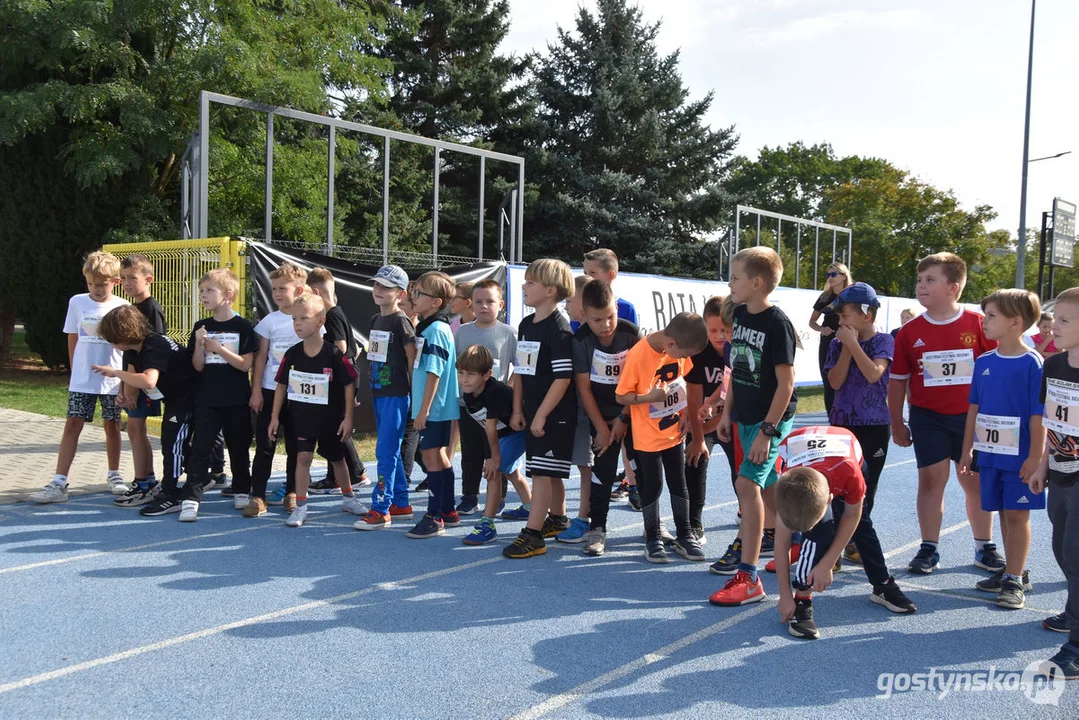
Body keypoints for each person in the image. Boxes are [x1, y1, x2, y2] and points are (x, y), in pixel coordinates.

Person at [889, 252, 1001, 575]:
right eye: (919, 280)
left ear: (954, 288)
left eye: (930, 280)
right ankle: (929, 548)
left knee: (974, 481)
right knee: (930, 481)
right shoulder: (909, 332)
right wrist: (897, 423)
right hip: (928, 417)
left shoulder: (979, 325)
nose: (920, 286)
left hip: (973, 419)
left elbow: (996, 370)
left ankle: (984, 547)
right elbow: (898, 383)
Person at [708, 246, 797, 606]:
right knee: (768, 488)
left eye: (735, 277)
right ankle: (804, 540)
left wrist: (766, 431)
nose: (729, 283)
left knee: (747, 485)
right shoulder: (741, 315)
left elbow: (787, 385)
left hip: (769, 420)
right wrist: (727, 412)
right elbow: (737, 372)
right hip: (744, 415)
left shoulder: (778, 325)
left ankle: (748, 577)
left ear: (757, 282)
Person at [768, 426, 916, 640]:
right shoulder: (785, 485)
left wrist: (827, 563)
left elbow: (852, 517)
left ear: (829, 499)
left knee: (863, 525)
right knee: (817, 536)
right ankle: (802, 598)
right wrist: (784, 596)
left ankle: (882, 584)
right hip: (801, 455)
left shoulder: (850, 475)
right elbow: (781, 543)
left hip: (845, 456)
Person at [959, 289, 1045, 608]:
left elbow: (1039, 415)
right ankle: (1013, 569)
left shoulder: (1032, 363)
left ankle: (1014, 579)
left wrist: (1035, 457)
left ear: (1015, 321)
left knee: (1018, 514)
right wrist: (968, 449)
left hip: (1020, 455)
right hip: (990, 453)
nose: (984, 321)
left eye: (992, 315)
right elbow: (974, 409)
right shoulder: (983, 361)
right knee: (1004, 513)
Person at [31, 251, 129, 504]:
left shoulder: (122, 306)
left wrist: (124, 379)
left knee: (112, 426)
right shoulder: (77, 302)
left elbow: (126, 344)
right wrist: (76, 370)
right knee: (72, 424)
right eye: (90, 284)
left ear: (115, 282)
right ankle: (59, 481)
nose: (95, 289)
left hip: (112, 378)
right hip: (83, 379)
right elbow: (72, 336)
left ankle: (114, 475)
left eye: (101, 285)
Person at [616, 312, 708, 563]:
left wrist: (687, 414)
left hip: (674, 431)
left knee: (679, 482)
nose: (685, 359)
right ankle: (652, 536)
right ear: (671, 345)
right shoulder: (638, 355)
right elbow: (621, 396)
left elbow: (683, 383)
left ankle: (685, 535)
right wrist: (648, 398)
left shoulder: (677, 348)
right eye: (683, 354)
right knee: (653, 484)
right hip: (647, 434)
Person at [89, 305, 197, 519]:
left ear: (124, 335)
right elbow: (133, 376)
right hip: (177, 399)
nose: (112, 344)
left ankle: (172, 493)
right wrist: (124, 393)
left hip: (190, 398)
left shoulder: (153, 345)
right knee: (176, 443)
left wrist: (115, 373)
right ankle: (194, 479)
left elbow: (148, 379)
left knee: (172, 443)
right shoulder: (136, 348)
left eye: (113, 339)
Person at [269, 293, 365, 527]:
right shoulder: (292, 353)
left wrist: (348, 418)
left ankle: (348, 498)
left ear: (321, 321)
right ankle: (301, 505)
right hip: (301, 418)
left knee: (338, 459)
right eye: (294, 319)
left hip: (330, 418)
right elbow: (281, 385)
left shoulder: (333, 353)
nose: (297, 324)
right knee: (303, 457)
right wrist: (274, 417)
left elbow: (349, 382)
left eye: (303, 318)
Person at [503, 259, 577, 559]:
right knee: (546, 471)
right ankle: (557, 519)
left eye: (530, 283)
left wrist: (543, 414)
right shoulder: (525, 324)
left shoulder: (559, 329)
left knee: (542, 475)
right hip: (532, 410)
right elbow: (521, 369)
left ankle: (533, 535)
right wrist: (519, 409)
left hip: (554, 414)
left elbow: (563, 378)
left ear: (550, 290)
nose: (524, 286)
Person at [571, 280, 643, 556]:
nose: (606, 324)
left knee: (643, 469)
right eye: (597, 319)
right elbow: (584, 388)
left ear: (617, 307)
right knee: (601, 474)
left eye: (611, 316)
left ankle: (653, 526)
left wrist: (623, 418)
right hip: (599, 415)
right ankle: (597, 528)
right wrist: (601, 427)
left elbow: (639, 381)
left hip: (632, 413)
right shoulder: (581, 341)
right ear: (584, 314)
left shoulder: (630, 333)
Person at [178, 269, 258, 518]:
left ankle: (242, 490)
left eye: (209, 290)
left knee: (239, 447)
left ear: (228, 295)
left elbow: (245, 364)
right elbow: (198, 366)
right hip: (207, 399)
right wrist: (200, 346)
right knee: (200, 448)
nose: (203, 295)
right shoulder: (201, 326)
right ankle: (191, 497)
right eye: (201, 291)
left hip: (236, 399)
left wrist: (220, 349)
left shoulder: (243, 327)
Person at [824, 282, 893, 564]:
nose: (841, 322)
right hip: (842, 425)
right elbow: (835, 381)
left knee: (866, 488)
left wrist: (854, 345)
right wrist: (846, 348)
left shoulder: (884, 341)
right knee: (837, 485)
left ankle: (855, 541)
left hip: (874, 426)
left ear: (867, 314)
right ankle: (834, 545)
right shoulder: (836, 344)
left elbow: (874, 374)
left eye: (845, 316)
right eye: (839, 317)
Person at [1032, 288, 1079, 678]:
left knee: (1076, 552)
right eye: (1055, 318)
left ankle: (1077, 647)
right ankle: (1074, 609)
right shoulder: (1053, 366)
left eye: (1065, 320)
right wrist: (1043, 464)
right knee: (1061, 548)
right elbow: (1052, 422)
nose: (1053, 326)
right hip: (1060, 470)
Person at [354, 265, 417, 530]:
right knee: (389, 449)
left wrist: (415, 396)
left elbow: (412, 359)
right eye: (376, 285)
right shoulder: (374, 320)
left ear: (400, 294)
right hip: (380, 392)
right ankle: (400, 504)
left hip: (397, 395)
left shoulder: (400, 321)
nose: (379, 291)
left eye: (386, 287)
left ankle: (381, 508)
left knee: (385, 451)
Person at [454, 279, 522, 517]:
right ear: (471, 304)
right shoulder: (462, 332)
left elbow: (519, 368)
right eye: (479, 302)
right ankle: (469, 496)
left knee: (495, 453)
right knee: (470, 452)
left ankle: (499, 497)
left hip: (496, 409)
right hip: (468, 405)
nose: (484, 306)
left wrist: (508, 393)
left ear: (500, 304)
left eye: (490, 301)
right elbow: (456, 366)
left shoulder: (508, 333)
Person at [404, 271, 461, 538]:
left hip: (434, 407)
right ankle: (448, 510)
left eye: (419, 293)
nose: (413, 296)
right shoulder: (429, 327)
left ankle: (434, 515)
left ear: (437, 302)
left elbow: (434, 373)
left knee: (430, 457)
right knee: (437, 456)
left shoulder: (437, 330)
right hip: (433, 406)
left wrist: (424, 410)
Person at [583, 248, 640, 506]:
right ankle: (592, 517)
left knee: (631, 444)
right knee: (599, 455)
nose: (588, 278)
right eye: (585, 273)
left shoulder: (627, 312)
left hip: (627, 400)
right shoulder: (582, 315)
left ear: (610, 274)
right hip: (596, 400)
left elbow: (636, 357)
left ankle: (632, 481)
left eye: (592, 273)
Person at [250, 262, 308, 512]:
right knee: (265, 444)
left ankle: (293, 492)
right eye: (274, 289)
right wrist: (255, 391)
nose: (277, 294)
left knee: (296, 446)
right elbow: (260, 358)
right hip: (270, 391)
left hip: (299, 393)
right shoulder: (268, 322)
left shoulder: (310, 318)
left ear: (299, 290)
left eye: (282, 288)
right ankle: (258, 496)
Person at [457, 344, 529, 545]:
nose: (464, 379)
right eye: (461, 373)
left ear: (487, 374)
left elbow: (490, 428)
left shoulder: (495, 392)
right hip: (503, 434)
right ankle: (529, 506)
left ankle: (487, 524)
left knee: (493, 471)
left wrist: (493, 457)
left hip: (520, 431)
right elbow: (486, 426)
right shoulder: (469, 394)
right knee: (511, 472)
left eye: (471, 374)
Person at [307, 267, 369, 493]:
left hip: (343, 379)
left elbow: (341, 348)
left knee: (338, 428)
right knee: (335, 427)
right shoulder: (336, 312)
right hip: (346, 376)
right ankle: (341, 474)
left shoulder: (332, 315)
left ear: (315, 291)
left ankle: (354, 473)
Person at [116, 254, 166, 501]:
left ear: (148, 279)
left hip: (144, 382)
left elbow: (150, 351)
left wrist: (132, 389)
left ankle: (142, 484)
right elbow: (128, 354)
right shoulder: (132, 308)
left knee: (136, 430)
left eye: (132, 278)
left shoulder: (151, 309)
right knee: (136, 431)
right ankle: (148, 480)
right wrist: (122, 386)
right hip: (132, 380)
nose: (126, 283)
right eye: (123, 278)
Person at [688, 296, 737, 542]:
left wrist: (715, 419)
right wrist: (698, 437)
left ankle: (748, 513)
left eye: (725, 330)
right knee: (695, 460)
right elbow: (694, 399)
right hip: (704, 418)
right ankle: (694, 522)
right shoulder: (699, 353)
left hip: (731, 418)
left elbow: (730, 391)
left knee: (743, 471)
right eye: (713, 330)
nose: (720, 335)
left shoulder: (737, 349)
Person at [559, 275, 597, 542]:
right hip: (581, 410)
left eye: (569, 301)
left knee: (587, 465)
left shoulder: (593, 337)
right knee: (584, 464)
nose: (566, 306)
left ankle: (585, 518)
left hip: (597, 412)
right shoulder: (575, 334)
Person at [809, 263, 852, 415]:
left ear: (844, 276)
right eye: (828, 275)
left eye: (834, 274)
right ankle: (831, 418)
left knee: (847, 381)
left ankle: (847, 418)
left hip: (847, 343)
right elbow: (812, 322)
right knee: (828, 382)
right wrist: (821, 329)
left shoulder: (851, 295)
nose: (830, 278)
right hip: (828, 343)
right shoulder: (825, 296)